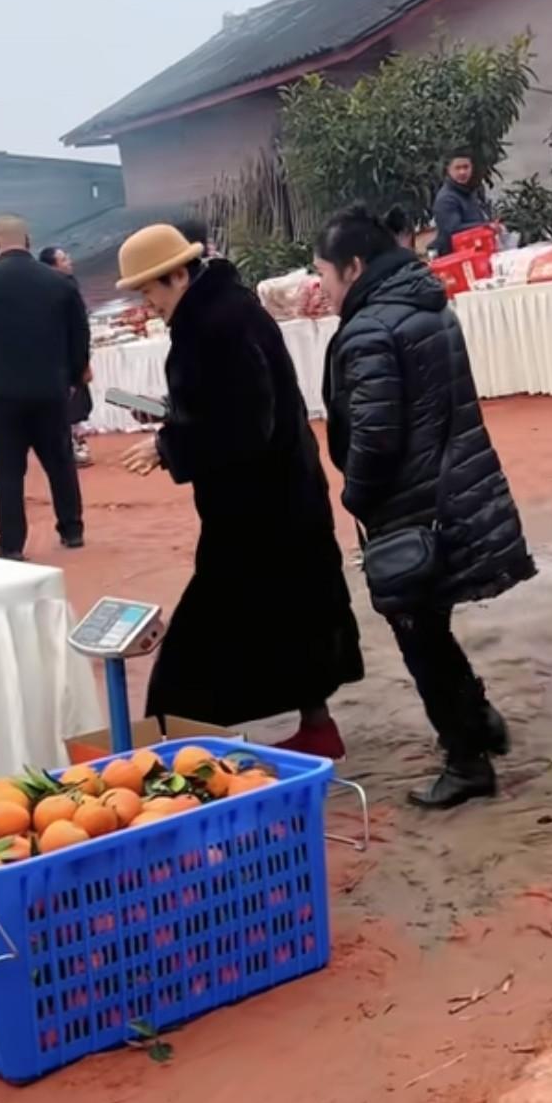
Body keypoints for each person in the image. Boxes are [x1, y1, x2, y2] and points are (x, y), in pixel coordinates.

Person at [315, 204, 534, 809]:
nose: (322, 288)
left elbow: (375, 435)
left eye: (324, 274)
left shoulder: (369, 330)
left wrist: (356, 495)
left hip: (410, 505)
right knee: (430, 624)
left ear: (353, 267)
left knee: (418, 633)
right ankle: (478, 720)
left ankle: (466, 760)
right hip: (448, 489)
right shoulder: (426, 305)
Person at [117, 223, 363, 755]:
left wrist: (169, 445)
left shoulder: (213, 325)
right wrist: (172, 415)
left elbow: (245, 425)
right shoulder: (225, 310)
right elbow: (229, 404)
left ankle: (185, 754)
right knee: (295, 618)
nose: (147, 303)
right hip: (280, 500)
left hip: (257, 513)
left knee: (195, 653)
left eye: (149, 290)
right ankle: (317, 727)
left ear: (178, 276)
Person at [0, 215, 89, 559]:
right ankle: (72, 530)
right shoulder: (59, 282)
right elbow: (80, 333)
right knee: (60, 461)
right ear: (28, 240)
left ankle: (11, 545)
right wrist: (73, 377)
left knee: (8, 470)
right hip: (50, 388)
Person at [39, 245, 93, 466]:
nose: (69, 261)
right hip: (59, 357)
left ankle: (75, 443)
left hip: (73, 354)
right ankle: (70, 446)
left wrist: (84, 359)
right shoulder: (48, 291)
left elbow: (80, 327)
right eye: (63, 259)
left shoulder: (69, 285)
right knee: (67, 404)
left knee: (78, 402)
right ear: (52, 266)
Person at [430, 150, 490, 258]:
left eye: (466, 167)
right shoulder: (446, 199)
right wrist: (485, 226)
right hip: (455, 256)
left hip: (474, 249)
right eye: (457, 168)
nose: (462, 172)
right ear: (449, 170)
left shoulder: (470, 190)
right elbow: (453, 229)